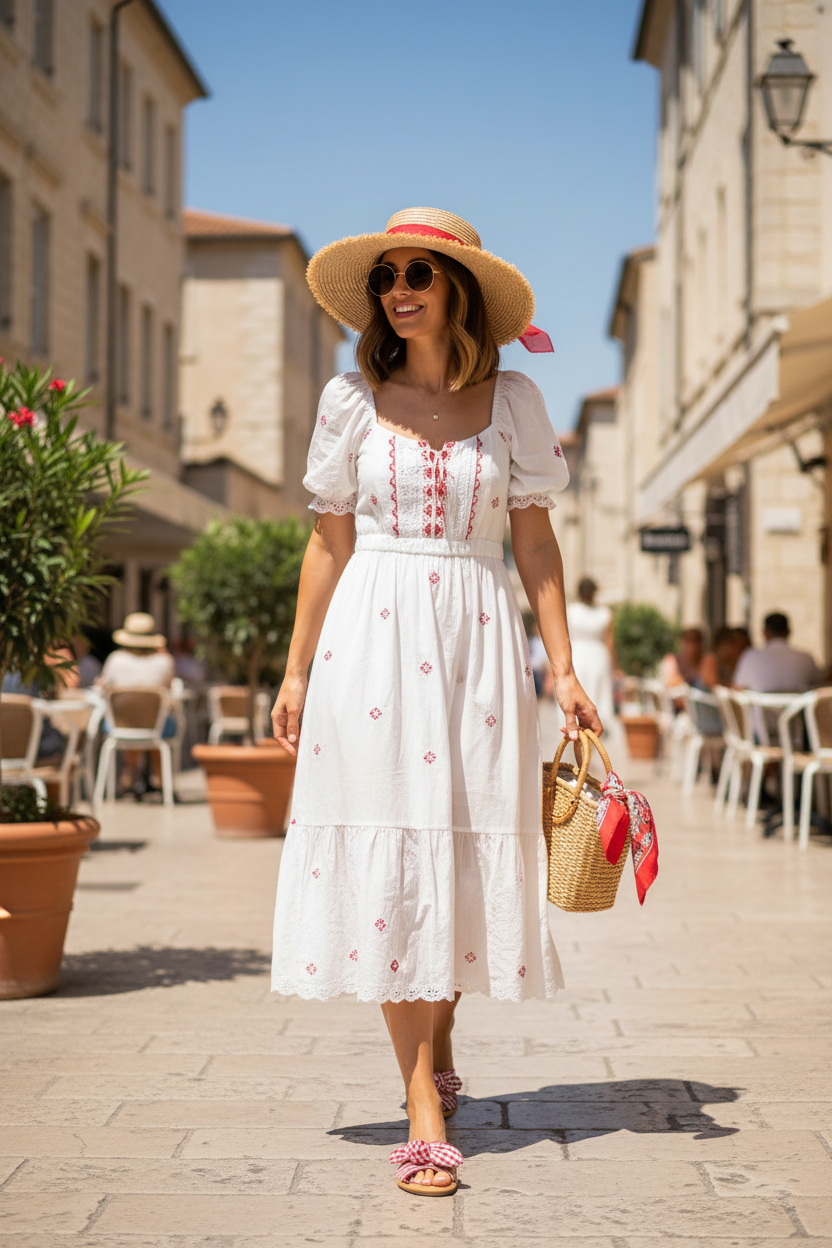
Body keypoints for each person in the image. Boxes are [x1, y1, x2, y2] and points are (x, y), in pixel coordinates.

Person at [269, 207, 601, 1197]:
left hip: (477, 636)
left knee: (455, 844)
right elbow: (327, 544)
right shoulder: (347, 400)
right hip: (369, 637)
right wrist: (293, 671)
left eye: (418, 270)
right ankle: (420, 1095)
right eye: (385, 274)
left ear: (458, 285)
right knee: (389, 841)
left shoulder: (516, 400)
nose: (398, 286)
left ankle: (441, 1026)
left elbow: (535, 544)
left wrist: (568, 669)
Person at [97, 613, 175, 794]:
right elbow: (169, 689)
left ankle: (129, 775)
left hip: (120, 726)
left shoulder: (115, 660)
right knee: (157, 724)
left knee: (131, 721)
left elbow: (102, 687)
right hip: (155, 726)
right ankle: (160, 778)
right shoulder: (163, 661)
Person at [565, 578, 615, 730]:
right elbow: (610, 642)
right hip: (598, 657)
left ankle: (574, 725)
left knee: (577, 689)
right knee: (596, 693)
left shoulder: (569, 611)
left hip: (576, 655)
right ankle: (595, 727)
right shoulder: (605, 613)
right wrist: (616, 666)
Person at [733, 612, 821, 693]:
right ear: (788, 632)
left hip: (760, 709)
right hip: (799, 709)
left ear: (764, 633)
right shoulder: (806, 659)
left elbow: (738, 688)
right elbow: (818, 686)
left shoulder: (750, 656)